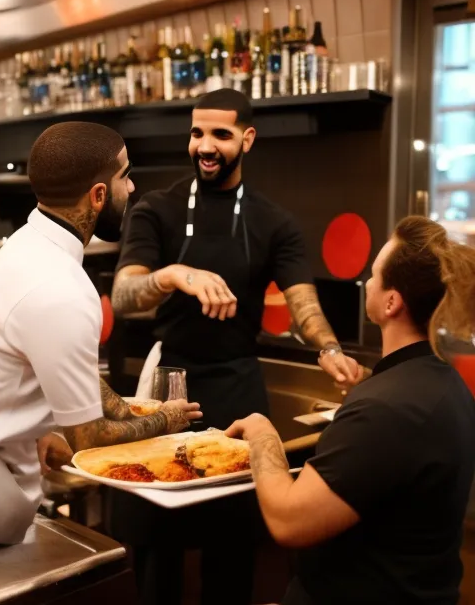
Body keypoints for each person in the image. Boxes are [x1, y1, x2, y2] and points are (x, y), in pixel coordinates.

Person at [109, 88, 360, 605]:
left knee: (234, 543)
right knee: (159, 545)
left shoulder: (275, 222)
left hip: (239, 387)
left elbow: (303, 304)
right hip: (167, 384)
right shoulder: (156, 208)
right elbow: (125, 295)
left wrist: (331, 350)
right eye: (197, 133)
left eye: (220, 135)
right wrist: (175, 274)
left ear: (247, 139)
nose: (205, 145)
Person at [0, 121, 201, 546]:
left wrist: (129, 410)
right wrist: (167, 420)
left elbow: (64, 366)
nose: (132, 188)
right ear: (98, 195)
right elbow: (86, 438)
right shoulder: (64, 290)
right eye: (125, 176)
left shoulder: (25, 246)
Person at [227, 215, 475, 605]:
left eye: (375, 274)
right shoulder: (443, 384)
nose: (368, 283)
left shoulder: (387, 411)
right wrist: (369, 384)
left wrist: (262, 435)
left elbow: (288, 521)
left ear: (392, 302)